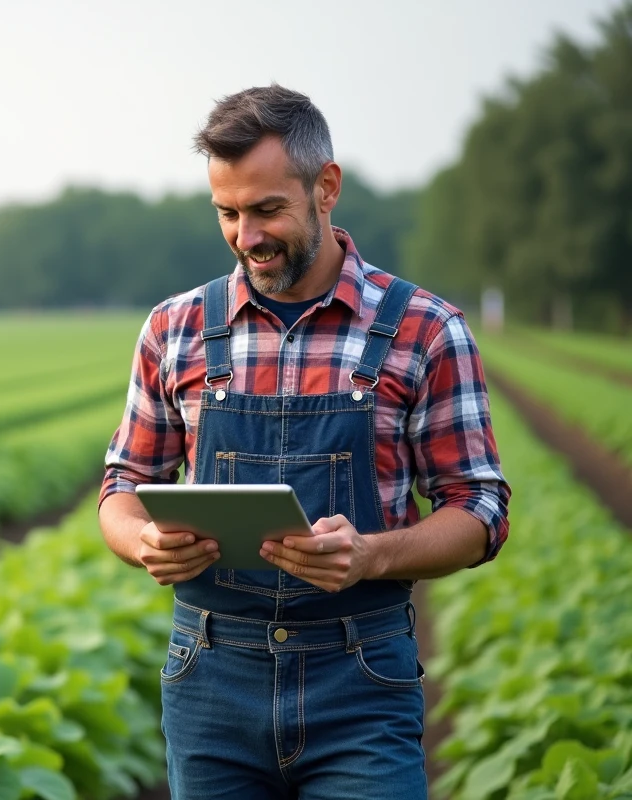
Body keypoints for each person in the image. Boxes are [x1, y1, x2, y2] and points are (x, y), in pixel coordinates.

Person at [97, 85, 511, 799]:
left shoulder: (426, 330)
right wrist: (143, 542)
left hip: (361, 679)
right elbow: (121, 487)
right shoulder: (174, 329)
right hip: (210, 678)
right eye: (227, 213)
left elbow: (479, 510)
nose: (245, 236)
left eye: (266, 210)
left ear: (326, 188)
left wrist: (371, 552)